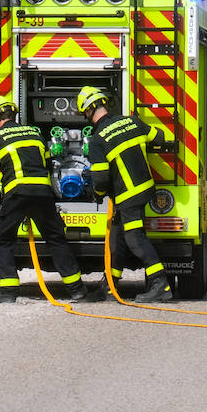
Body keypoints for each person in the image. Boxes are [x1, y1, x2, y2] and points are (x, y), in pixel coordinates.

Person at [0, 97, 96, 304]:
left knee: (2, 238)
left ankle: (8, 290)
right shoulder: (35, 133)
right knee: (56, 239)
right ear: (13, 115)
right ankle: (77, 291)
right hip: (43, 193)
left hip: (16, 193)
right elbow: (49, 164)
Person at [78, 85, 176, 303]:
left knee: (135, 240)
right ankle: (110, 287)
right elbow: (158, 137)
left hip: (127, 196)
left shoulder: (97, 140)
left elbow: (101, 178)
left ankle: (161, 284)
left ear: (89, 110)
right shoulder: (132, 121)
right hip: (144, 189)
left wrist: (97, 193)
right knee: (117, 239)